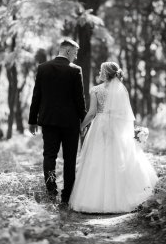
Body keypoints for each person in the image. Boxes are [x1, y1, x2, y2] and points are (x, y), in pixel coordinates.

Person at [69, 62, 158, 213]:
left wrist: (81, 126)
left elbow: (91, 114)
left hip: (100, 126)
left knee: (97, 159)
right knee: (118, 157)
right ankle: (121, 199)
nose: (99, 72)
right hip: (117, 127)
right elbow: (125, 114)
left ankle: (92, 201)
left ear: (105, 73)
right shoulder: (121, 91)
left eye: (101, 70)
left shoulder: (96, 90)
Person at [29, 38, 87, 205]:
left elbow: (36, 96)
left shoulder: (43, 68)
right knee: (69, 160)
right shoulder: (75, 70)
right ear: (68, 51)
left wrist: (33, 120)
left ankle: (51, 191)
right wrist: (84, 122)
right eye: (75, 53)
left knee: (49, 157)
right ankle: (67, 196)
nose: (75, 57)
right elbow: (79, 100)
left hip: (49, 122)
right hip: (70, 123)